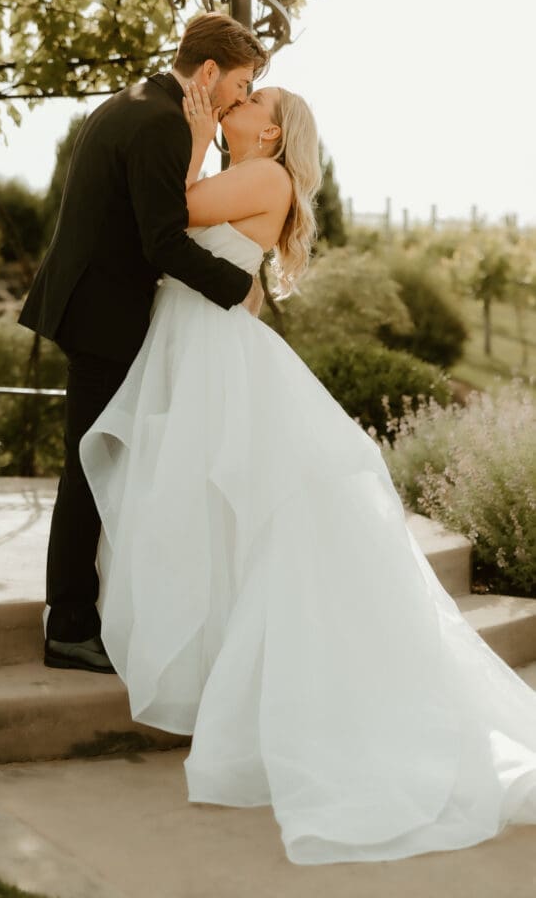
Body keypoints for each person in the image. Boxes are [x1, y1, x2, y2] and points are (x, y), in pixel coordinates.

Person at [79, 82, 536, 864]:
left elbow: (172, 214)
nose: (236, 103)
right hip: (199, 347)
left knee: (232, 505)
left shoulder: (262, 174)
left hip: (215, 358)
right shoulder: (256, 173)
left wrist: (190, 141)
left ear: (270, 132)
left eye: (252, 100)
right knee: (204, 505)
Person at [18, 12, 269, 671]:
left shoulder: (139, 101)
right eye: (240, 84)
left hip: (92, 305)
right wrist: (236, 285)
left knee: (105, 461)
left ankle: (104, 606)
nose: (240, 99)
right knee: (91, 465)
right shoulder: (160, 122)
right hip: (105, 316)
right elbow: (162, 239)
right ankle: (70, 623)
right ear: (209, 72)